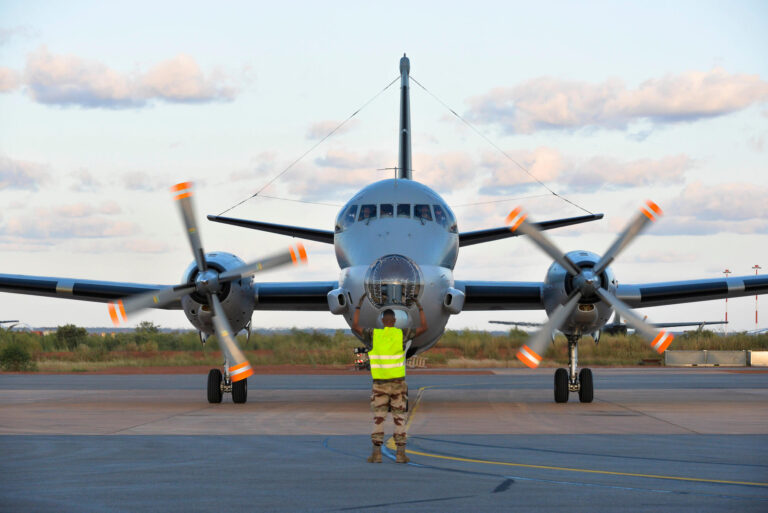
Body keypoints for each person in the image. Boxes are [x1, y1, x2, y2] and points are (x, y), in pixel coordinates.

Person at [352, 293, 428, 464]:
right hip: (398, 385)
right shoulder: (401, 334)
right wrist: (420, 307)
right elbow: (424, 327)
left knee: (378, 419)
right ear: (394, 321)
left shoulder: (374, 335)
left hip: (379, 385)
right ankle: (400, 454)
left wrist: (358, 305)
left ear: (382, 321)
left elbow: (355, 326)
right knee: (399, 419)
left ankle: (376, 454)